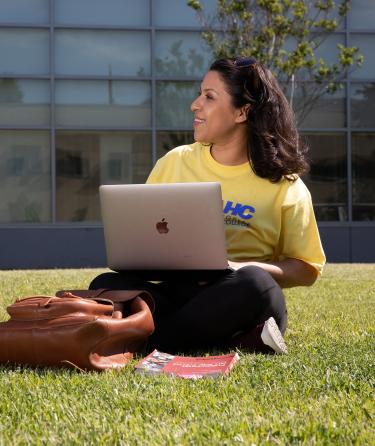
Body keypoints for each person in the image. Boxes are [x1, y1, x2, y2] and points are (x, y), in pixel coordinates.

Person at [89, 56, 326, 355]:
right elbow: (147, 234)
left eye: (209, 97)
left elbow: (306, 269)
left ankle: (149, 342)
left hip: (237, 297)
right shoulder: (175, 162)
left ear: (242, 111)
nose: (195, 104)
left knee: (257, 284)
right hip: (179, 294)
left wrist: (242, 267)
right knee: (107, 283)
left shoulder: (285, 184)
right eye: (200, 93)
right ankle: (232, 342)